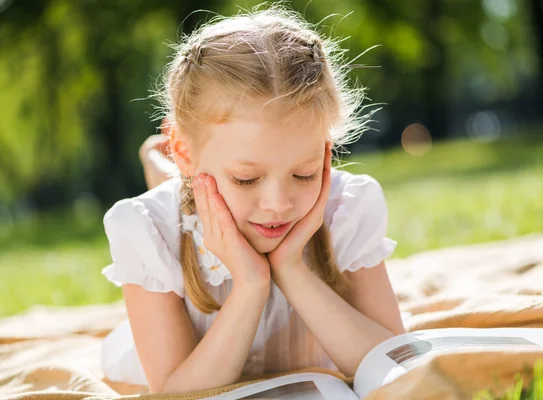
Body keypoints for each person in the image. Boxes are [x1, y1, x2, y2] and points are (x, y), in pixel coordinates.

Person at [101, 4, 405, 394]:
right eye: (246, 179)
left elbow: (395, 364)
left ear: (327, 151)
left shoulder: (346, 209)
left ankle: (173, 171)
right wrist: (249, 286)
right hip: (178, 199)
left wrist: (292, 267)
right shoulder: (149, 231)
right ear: (185, 150)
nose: (279, 203)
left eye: (304, 173)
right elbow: (177, 390)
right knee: (174, 200)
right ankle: (159, 167)